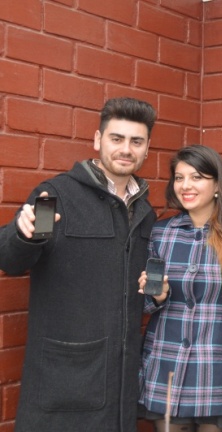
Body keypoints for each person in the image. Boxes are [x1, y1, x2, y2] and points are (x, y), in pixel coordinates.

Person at [0, 98, 157, 431]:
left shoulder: (145, 211)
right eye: (117, 138)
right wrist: (22, 234)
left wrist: (158, 293)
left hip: (120, 385)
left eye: (136, 141)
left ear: (146, 150)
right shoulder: (54, 196)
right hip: (63, 384)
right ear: (98, 140)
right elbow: (11, 260)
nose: (126, 149)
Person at [138, 145, 222, 432]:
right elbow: (144, 305)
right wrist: (156, 297)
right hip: (166, 361)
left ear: (216, 185)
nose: (186, 185)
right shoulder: (160, 233)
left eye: (196, 177)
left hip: (219, 364)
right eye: (179, 177)